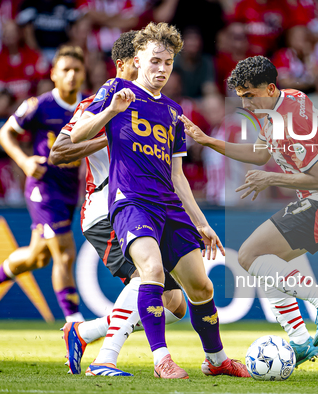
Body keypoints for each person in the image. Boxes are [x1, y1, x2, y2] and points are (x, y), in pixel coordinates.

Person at [69, 22, 248, 379]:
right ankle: (161, 359)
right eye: (154, 61)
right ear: (137, 60)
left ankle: (216, 360)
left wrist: (201, 222)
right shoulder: (115, 89)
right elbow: (75, 136)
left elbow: (178, 175)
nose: (161, 69)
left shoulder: (171, 112)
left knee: (200, 287)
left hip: (170, 205)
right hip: (131, 202)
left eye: (168, 63)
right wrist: (110, 112)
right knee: (150, 271)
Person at [181, 55, 318, 367]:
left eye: (250, 95)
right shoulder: (286, 101)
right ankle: (301, 341)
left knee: (249, 255)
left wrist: (271, 177)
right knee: (265, 264)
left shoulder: (289, 126)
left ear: (269, 88)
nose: (246, 104)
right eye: (241, 97)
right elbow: (260, 153)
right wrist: (208, 140)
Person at [49, 31, 187, 377]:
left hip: (143, 203)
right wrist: (111, 130)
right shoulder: (102, 100)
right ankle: (106, 358)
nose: (142, 76)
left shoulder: (154, 108)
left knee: (175, 304)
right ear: (125, 64)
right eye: (137, 66)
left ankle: (83, 332)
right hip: (106, 209)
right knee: (146, 273)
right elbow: (58, 151)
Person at [0, 46, 86, 323]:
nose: (71, 75)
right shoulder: (40, 105)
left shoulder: (90, 107)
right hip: (43, 187)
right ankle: (75, 324)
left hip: (69, 190)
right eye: (65, 70)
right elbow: (5, 133)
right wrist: (24, 162)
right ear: (54, 74)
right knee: (66, 254)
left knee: (38, 257)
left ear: (83, 75)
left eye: (77, 70)